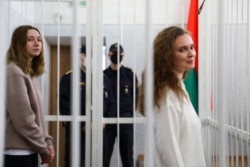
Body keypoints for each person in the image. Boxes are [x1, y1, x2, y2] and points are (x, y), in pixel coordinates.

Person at [137, 26, 206, 167]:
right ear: (167, 57)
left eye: (191, 47)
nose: (191, 53)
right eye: (182, 50)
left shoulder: (178, 87)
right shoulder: (167, 95)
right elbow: (168, 150)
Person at [4, 25, 55, 167]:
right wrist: (43, 146)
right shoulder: (14, 72)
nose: (37, 43)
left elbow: (37, 116)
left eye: (39, 39)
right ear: (19, 44)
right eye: (30, 39)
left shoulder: (29, 73)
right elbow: (24, 120)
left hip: (29, 149)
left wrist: (47, 141)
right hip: (17, 153)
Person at [103, 43, 138, 167]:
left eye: (119, 53)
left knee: (127, 156)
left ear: (123, 55)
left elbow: (136, 97)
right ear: (108, 55)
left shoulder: (130, 74)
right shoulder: (104, 75)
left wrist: (128, 113)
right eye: (113, 53)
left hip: (125, 119)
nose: (116, 56)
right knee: (104, 156)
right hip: (107, 121)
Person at [59, 45, 87, 167]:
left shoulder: (99, 78)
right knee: (73, 161)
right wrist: (82, 123)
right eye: (86, 55)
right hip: (76, 127)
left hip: (95, 128)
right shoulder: (69, 77)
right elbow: (64, 105)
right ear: (80, 57)